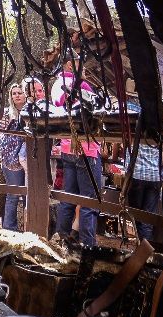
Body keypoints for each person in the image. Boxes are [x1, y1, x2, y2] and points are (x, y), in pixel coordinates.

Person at [53, 55, 103, 247]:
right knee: (88, 202)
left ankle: (60, 242)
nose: (83, 67)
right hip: (86, 150)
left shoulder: (58, 84)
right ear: (69, 64)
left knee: (69, 198)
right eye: (78, 62)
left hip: (68, 148)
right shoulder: (78, 85)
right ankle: (87, 247)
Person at [0, 84, 27, 231]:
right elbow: (1, 136)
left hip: (27, 158)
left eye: (20, 93)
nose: (17, 95)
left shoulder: (30, 112)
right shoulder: (7, 114)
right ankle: (9, 227)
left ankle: (30, 226)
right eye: (14, 93)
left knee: (29, 194)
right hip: (10, 161)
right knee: (13, 194)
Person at [125, 142, 163, 241]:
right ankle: (146, 252)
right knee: (147, 220)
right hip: (154, 175)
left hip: (136, 174)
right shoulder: (159, 129)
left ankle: (142, 252)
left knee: (137, 218)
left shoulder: (134, 128)